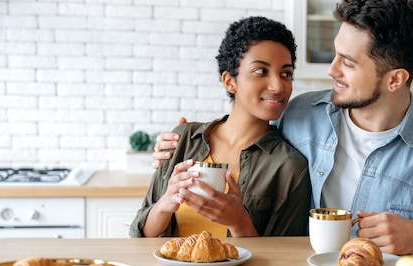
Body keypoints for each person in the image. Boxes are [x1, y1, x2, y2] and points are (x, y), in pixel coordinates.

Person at [152, 0, 413, 255]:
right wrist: (183, 143)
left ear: (395, 79)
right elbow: (246, 132)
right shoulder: (302, 115)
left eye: (349, 62)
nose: (331, 70)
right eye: (336, 54)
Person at [130, 16, 312, 238]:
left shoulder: (290, 167)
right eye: (261, 71)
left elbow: (285, 262)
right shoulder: (183, 140)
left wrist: (239, 223)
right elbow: (140, 237)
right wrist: (165, 204)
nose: (277, 86)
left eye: (286, 74)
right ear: (229, 81)